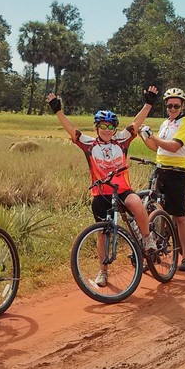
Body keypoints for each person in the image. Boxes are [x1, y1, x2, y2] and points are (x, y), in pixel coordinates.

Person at [46, 95, 156, 286]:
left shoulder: (121, 141)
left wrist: (148, 104)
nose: (107, 130)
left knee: (136, 203)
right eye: (103, 126)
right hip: (101, 194)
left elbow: (135, 124)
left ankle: (147, 238)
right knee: (103, 232)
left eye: (111, 127)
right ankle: (103, 271)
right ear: (96, 127)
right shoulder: (89, 144)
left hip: (122, 190)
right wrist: (58, 111)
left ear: (115, 129)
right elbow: (72, 131)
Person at [132, 86, 185, 272]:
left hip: (178, 172)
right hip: (160, 170)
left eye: (176, 106)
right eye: (169, 106)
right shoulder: (165, 124)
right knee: (153, 207)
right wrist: (144, 137)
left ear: (182, 106)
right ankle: (155, 247)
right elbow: (157, 147)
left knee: (180, 216)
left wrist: (153, 136)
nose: (172, 109)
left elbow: (173, 146)